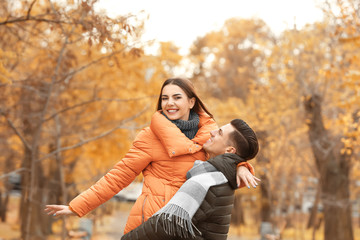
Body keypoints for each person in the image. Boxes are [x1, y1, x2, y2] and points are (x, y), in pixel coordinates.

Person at [44, 78, 258, 234]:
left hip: (189, 223)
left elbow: (228, 156)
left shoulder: (208, 136)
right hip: (152, 221)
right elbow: (118, 176)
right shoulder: (149, 137)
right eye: (164, 98)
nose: (169, 103)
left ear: (192, 102)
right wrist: (77, 206)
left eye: (176, 97)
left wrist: (241, 166)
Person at [121, 119, 259, 240]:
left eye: (220, 133)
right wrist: (241, 165)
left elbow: (168, 223)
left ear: (230, 151)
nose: (212, 132)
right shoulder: (221, 176)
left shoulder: (207, 180)